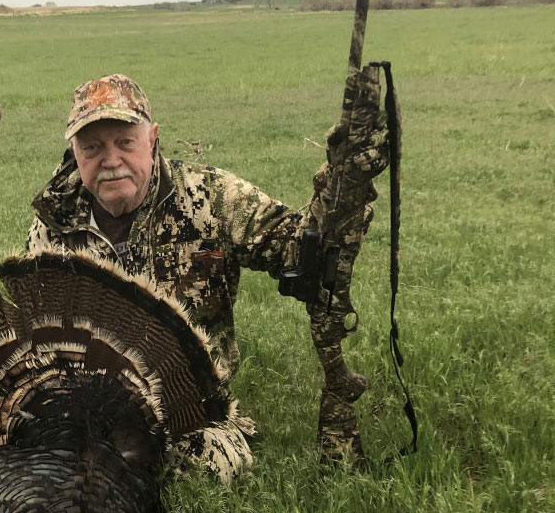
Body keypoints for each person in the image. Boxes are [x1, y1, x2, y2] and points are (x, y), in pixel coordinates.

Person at [26, 73, 388, 481]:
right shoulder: (52, 225)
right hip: (88, 412)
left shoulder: (211, 197)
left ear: (152, 139)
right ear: (74, 153)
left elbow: (301, 251)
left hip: (191, 411)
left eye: (125, 142)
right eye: (92, 148)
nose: (110, 161)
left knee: (203, 468)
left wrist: (344, 177)